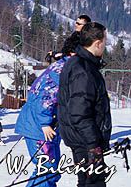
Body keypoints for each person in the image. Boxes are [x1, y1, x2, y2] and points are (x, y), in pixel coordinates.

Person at [15, 32, 80, 187]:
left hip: (46, 125)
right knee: (47, 168)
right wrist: (45, 122)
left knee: (49, 169)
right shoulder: (62, 70)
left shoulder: (66, 66)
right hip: (40, 126)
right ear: (74, 53)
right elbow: (46, 96)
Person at [58, 22, 111, 187]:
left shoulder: (81, 64)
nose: (105, 46)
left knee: (86, 182)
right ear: (97, 43)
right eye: (105, 41)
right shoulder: (83, 70)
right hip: (86, 142)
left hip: (83, 139)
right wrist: (94, 144)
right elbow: (79, 113)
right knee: (93, 183)